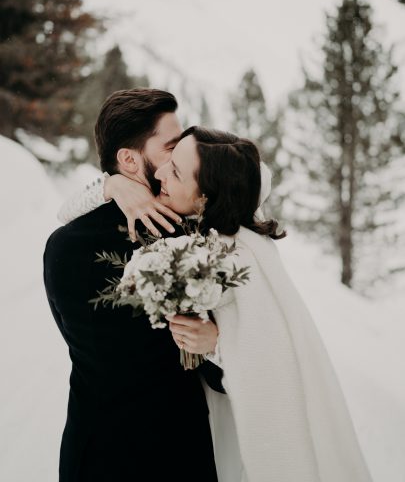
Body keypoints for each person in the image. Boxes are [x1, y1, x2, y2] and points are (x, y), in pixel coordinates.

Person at [60, 124, 373, 482]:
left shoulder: (238, 257)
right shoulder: (197, 200)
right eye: (170, 158)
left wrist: (217, 344)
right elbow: (65, 214)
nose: (160, 172)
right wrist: (112, 186)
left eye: (175, 171)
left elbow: (275, 366)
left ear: (204, 198)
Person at [43, 90, 218, 482]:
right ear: (129, 158)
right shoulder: (186, 238)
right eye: (171, 148)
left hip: (91, 454)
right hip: (176, 454)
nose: (179, 161)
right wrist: (217, 342)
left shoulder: (61, 245)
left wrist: (111, 187)